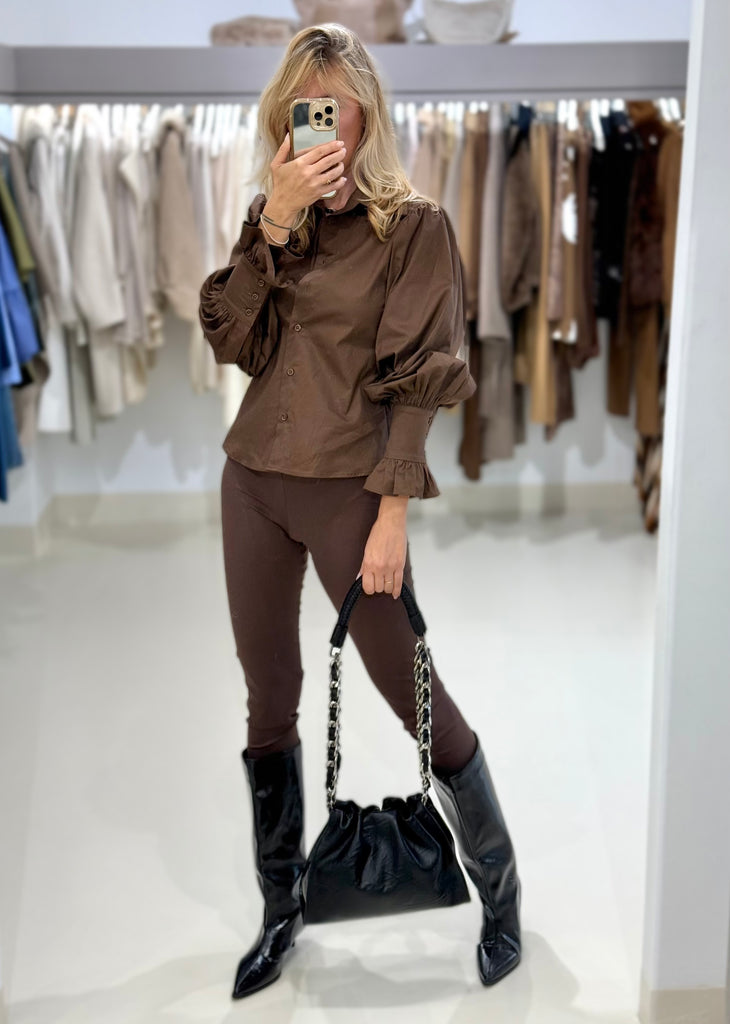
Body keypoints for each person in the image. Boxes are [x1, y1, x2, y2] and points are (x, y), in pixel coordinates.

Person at [198, 22, 522, 1001]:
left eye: (339, 109)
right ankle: (280, 908)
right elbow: (230, 339)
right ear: (283, 118)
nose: (324, 127)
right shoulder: (274, 219)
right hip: (252, 484)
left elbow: (417, 382)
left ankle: (501, 896)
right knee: (268, 697)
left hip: (351, 494)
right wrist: (271, 228)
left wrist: (392, 517)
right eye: (307, 109)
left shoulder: (414, 227)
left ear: (368, 116)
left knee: (414, 694)